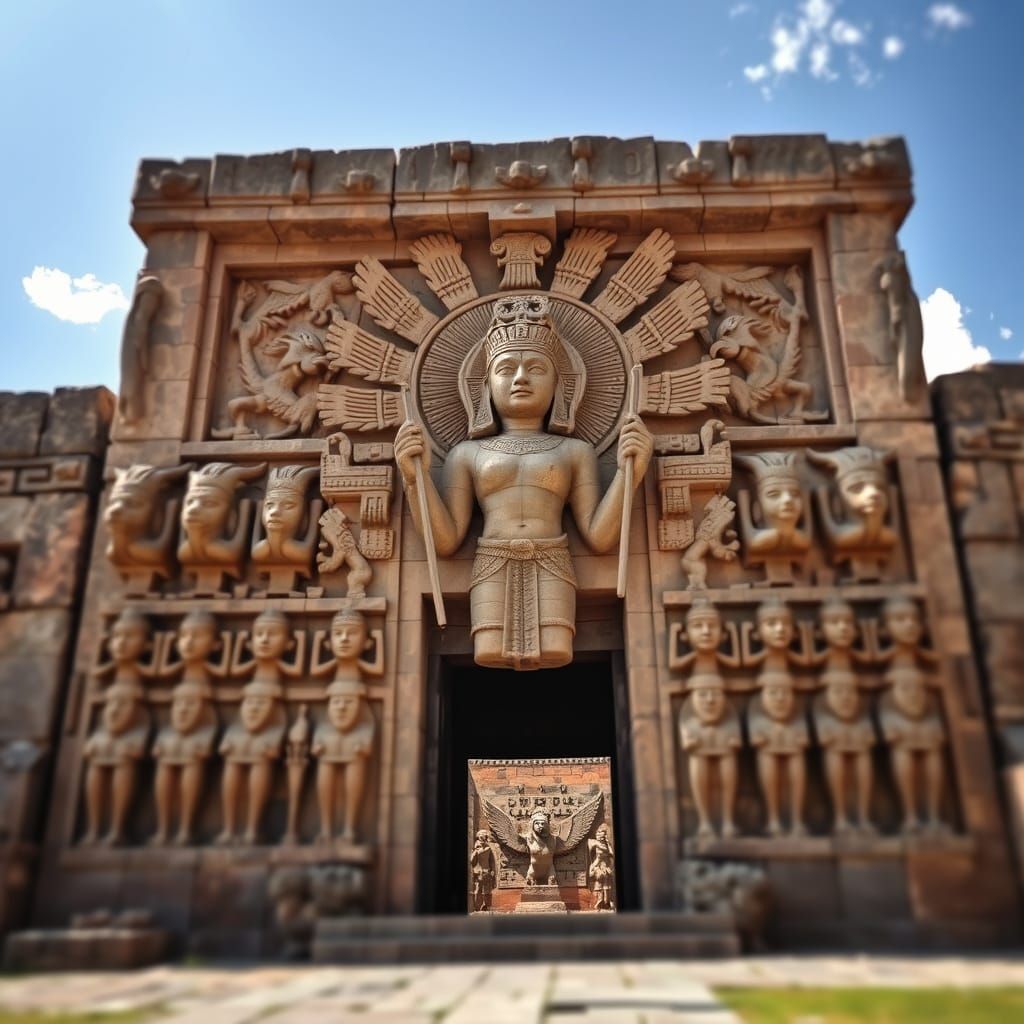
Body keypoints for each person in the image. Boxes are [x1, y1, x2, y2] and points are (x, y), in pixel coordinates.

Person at [395, 295, 653, 670]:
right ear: (484, 385)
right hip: (491, 563)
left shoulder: (574, 451)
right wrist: (412, 477)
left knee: (556, 648)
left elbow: (599, 537)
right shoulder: (466, 454)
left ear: (559, 384)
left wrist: (633, 471)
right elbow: (446, 541)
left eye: (535, 368)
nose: (520, 379)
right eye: (506, 369)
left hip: (553, 561)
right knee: (486, 651)